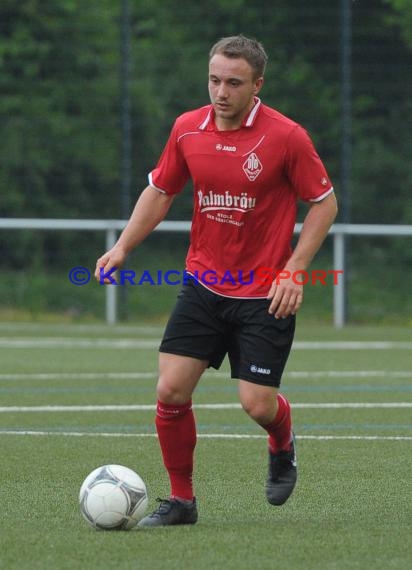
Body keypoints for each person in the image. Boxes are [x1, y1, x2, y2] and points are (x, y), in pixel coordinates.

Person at [94, 34, 338, 527]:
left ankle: (282, 441)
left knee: (256, 403)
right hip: (203, 283)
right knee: (171, 391)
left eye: (233, 82)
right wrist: (122, 246)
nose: (221, 91)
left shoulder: (286, 137)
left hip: (264, 293)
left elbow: (325, 203)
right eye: (214, 79)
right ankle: (182, 502)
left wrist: (294, 269)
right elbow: (160, 192)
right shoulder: (188, 129)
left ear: (257, 85)